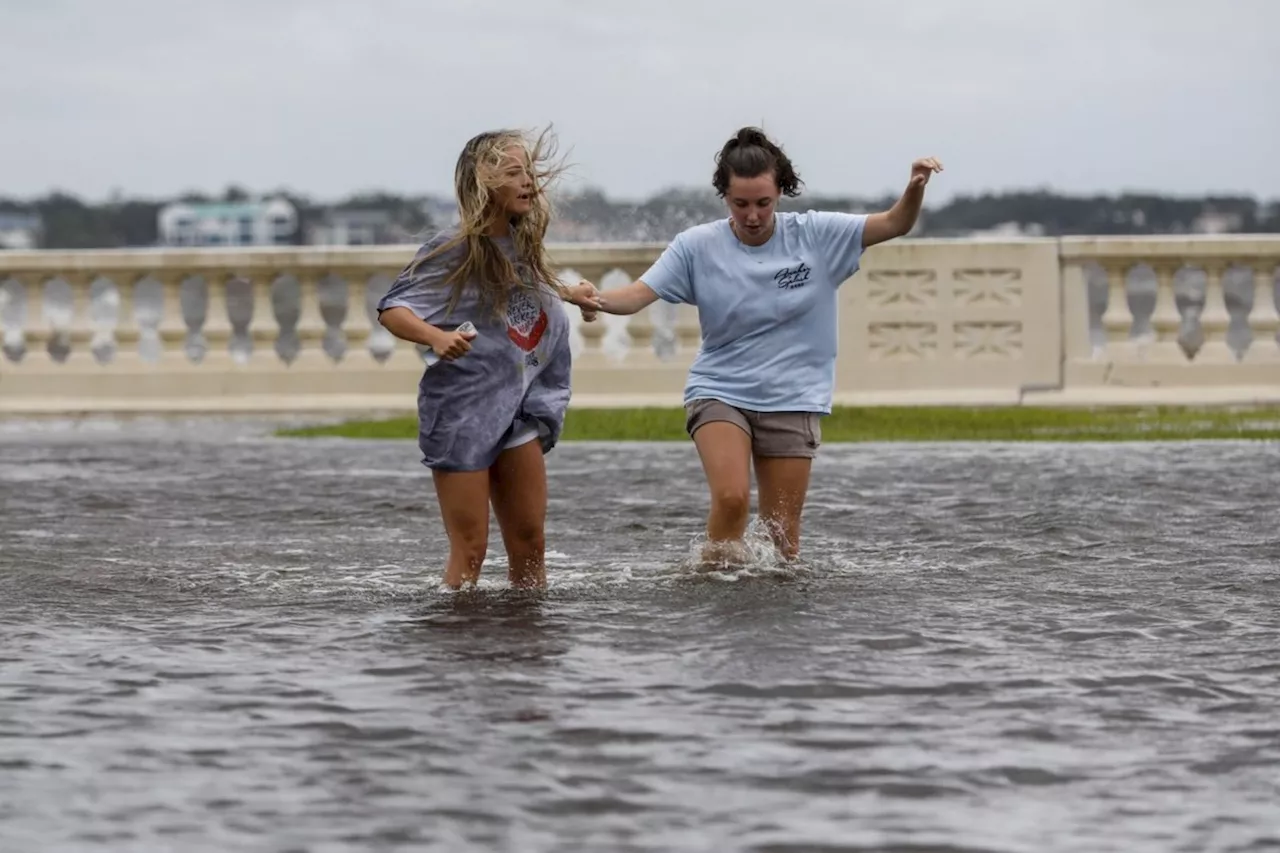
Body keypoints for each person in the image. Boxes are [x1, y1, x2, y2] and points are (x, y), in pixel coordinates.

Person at [580, 126, 942, 564]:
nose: (752, 215)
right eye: (741, 204)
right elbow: (637, 295)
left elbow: (895, 223)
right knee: (732, 500)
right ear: (725, 197)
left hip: (793, 396)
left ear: (781, 193)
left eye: (763, 204)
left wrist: (914, 188)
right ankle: (710, 588)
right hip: (720, 390)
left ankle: (769, 623)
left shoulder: (816, 235)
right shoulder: (696, 246)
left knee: (782, 541)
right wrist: (594, 298)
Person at [376, 127, 600, 590]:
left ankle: (526, 645)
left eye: (530, 173)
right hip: (462, 413)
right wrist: (435, 337)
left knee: (530, 542)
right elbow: (393, 309)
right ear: (484, 183)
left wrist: (569, 293)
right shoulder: (453, 248)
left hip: (517, 409)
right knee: (472, 549)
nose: (528, 183)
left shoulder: (522, 245)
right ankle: (458, 647)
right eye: (514, 173)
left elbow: (526, 290)